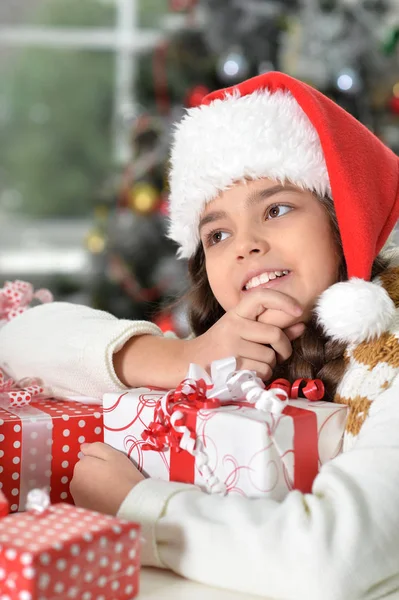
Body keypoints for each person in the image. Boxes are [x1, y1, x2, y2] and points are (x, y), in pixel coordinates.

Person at [1, 71, 399, 599]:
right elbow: (18, 340)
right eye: (217, 233)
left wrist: (137, 506)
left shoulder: (386, 358)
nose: (246, 245)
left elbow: (328, 562)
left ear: (341, 217)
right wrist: (179, 356)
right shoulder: (234, 350)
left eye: (276, 209)